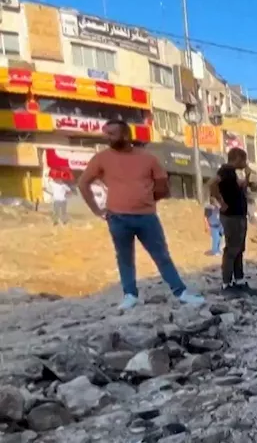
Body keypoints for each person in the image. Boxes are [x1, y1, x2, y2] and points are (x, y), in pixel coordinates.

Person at [78, 119, 204, 309]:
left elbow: (162, 185)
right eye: (106, 134)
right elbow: (83, 183)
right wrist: (97, 210)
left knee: (161, 255)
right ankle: (130, 295)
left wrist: (146, 199)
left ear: (126, 135)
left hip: (146, 217)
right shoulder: (101, 158)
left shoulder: (148, 158)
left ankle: (180, 292)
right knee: (124, 257)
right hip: (117, 217)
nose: (108, 138)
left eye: (112, 133)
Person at [211, 147, 250, 292]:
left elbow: (241, 189)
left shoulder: (232, 174)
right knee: (232, 249)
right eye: (244, 159)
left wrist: (247, 177)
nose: (245, 163)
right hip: (232, 216)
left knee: (238, 248)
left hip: (238, 215)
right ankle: (227, 283)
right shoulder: (226, 170)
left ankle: (238, 280)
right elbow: (212, 183)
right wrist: (222, 203)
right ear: (237, 158)